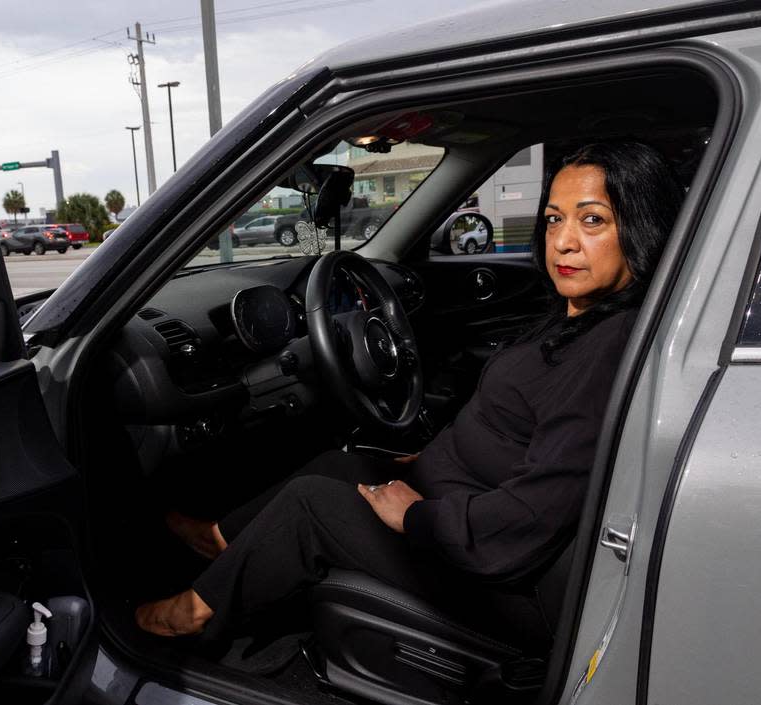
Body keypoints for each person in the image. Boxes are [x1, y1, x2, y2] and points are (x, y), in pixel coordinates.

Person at [136, 141, 685, 638]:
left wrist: (415, 516)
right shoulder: (578, 320)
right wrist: (430, 458)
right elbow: (522, 432)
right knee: (338, 464)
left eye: (593, 221)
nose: (563, 241)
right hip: (460, 500)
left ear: (639, 228)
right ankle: (221, 542)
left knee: (311, 505)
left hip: (497, 581)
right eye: (554, 219)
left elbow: (531, 516)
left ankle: (191, 614)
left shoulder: (608, 347)